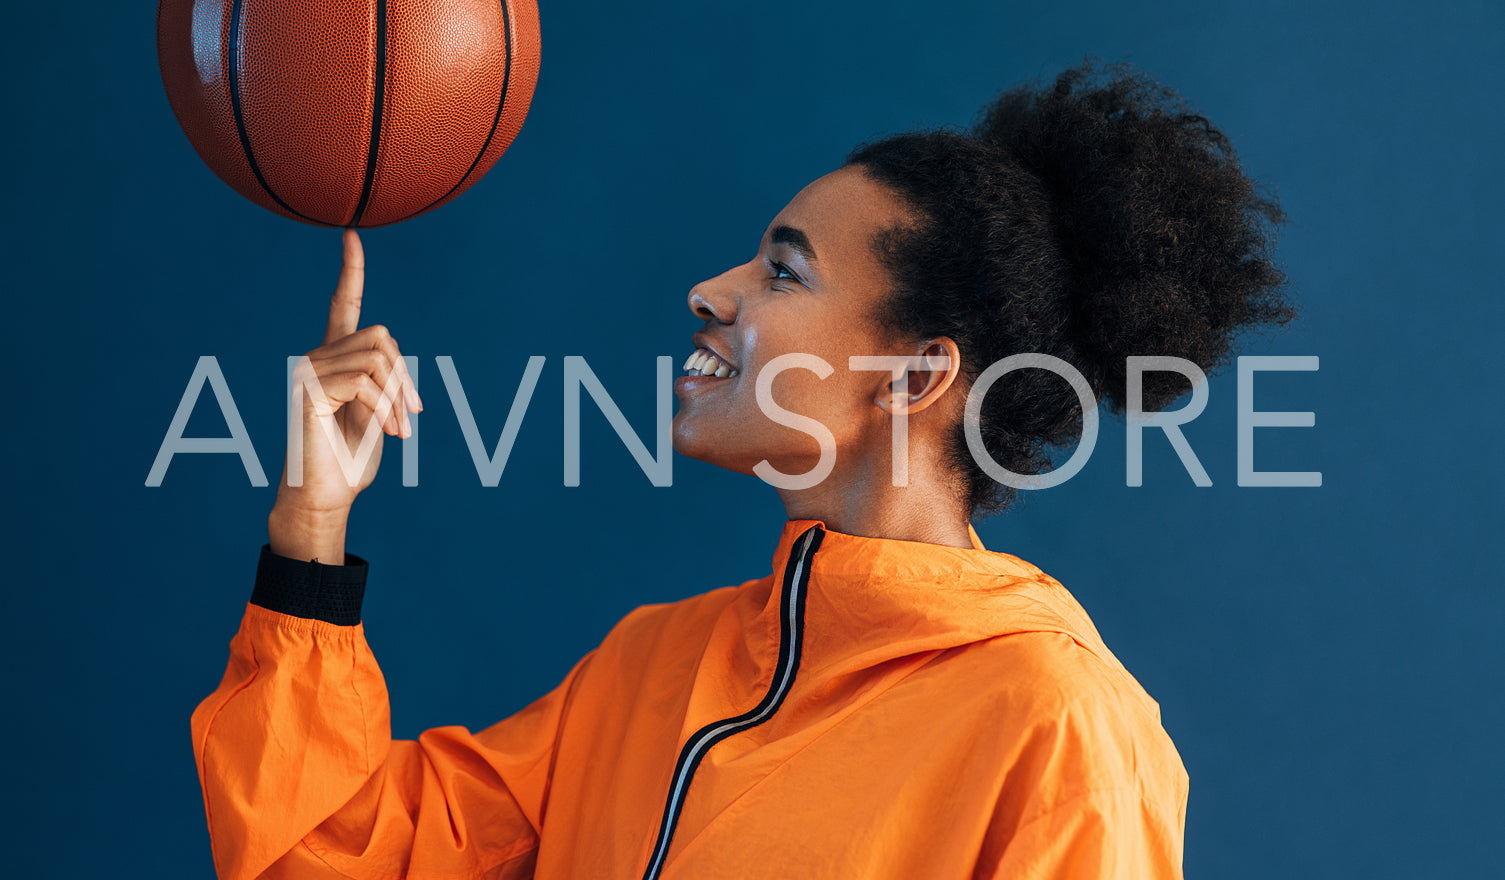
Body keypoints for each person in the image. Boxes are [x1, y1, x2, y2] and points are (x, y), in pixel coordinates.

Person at [192, 61, 1293, 879]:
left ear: (915, 376)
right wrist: (310, 524)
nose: (709, 291)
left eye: (781, 270)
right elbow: (320, 856)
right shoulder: (650, 666)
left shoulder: (1051, 722)